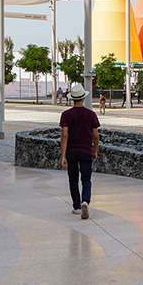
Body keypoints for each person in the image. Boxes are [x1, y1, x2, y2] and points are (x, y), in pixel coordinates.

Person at [60, 83, 100, 219]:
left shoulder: (66, 115)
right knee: (86, 179)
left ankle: (76, 207)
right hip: (86, 151)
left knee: (73, 179)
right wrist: (95, 151)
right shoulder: (91, 114)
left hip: (71, 152)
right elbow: (96, 136)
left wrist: (63, 155)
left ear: (72, 99)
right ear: (83, 98)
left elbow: (64, 135)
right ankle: (85, 201)